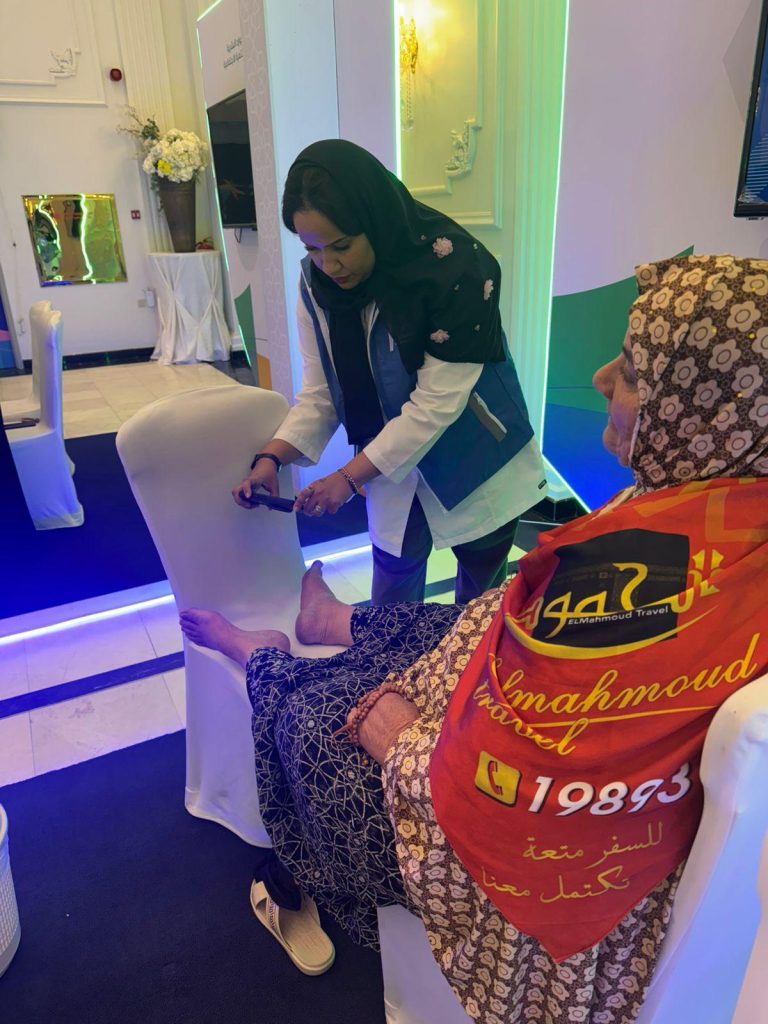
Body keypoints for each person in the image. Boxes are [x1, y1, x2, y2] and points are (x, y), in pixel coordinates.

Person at [185, 253, 768, 1023]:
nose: (600, 378)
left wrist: (403, 743)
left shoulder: (658, 576)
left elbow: (541, 794)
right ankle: (335, 623)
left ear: (705, 411)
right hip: (485, 713)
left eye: (631, 372)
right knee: (452, 620)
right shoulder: (722, 505)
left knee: (315, 722)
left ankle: (265, 659)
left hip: (470, 829)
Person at [232, 139, 546, 605]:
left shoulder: (457, 270)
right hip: (389, 470)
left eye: (342, 245)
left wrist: (348, 477)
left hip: (476, 459)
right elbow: (323, 393)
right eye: (312, 249)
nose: (328, 265)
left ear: (375, 220)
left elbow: (435, 405)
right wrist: (272, 458)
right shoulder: (316, 285)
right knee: (391, 613)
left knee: (478, 613)